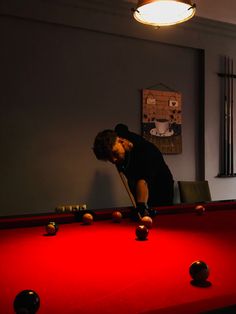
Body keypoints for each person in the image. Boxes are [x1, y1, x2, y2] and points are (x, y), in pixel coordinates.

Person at [93, 124, 174, 219]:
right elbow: (120, 127)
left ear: (121, 141)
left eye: (115, 153)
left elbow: (142, 181)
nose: (113, 160)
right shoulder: (117, 139)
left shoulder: (144, 152)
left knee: (160, 220)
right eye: (109, 157)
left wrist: (141, 206)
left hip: (162, 188)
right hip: (140, 185)